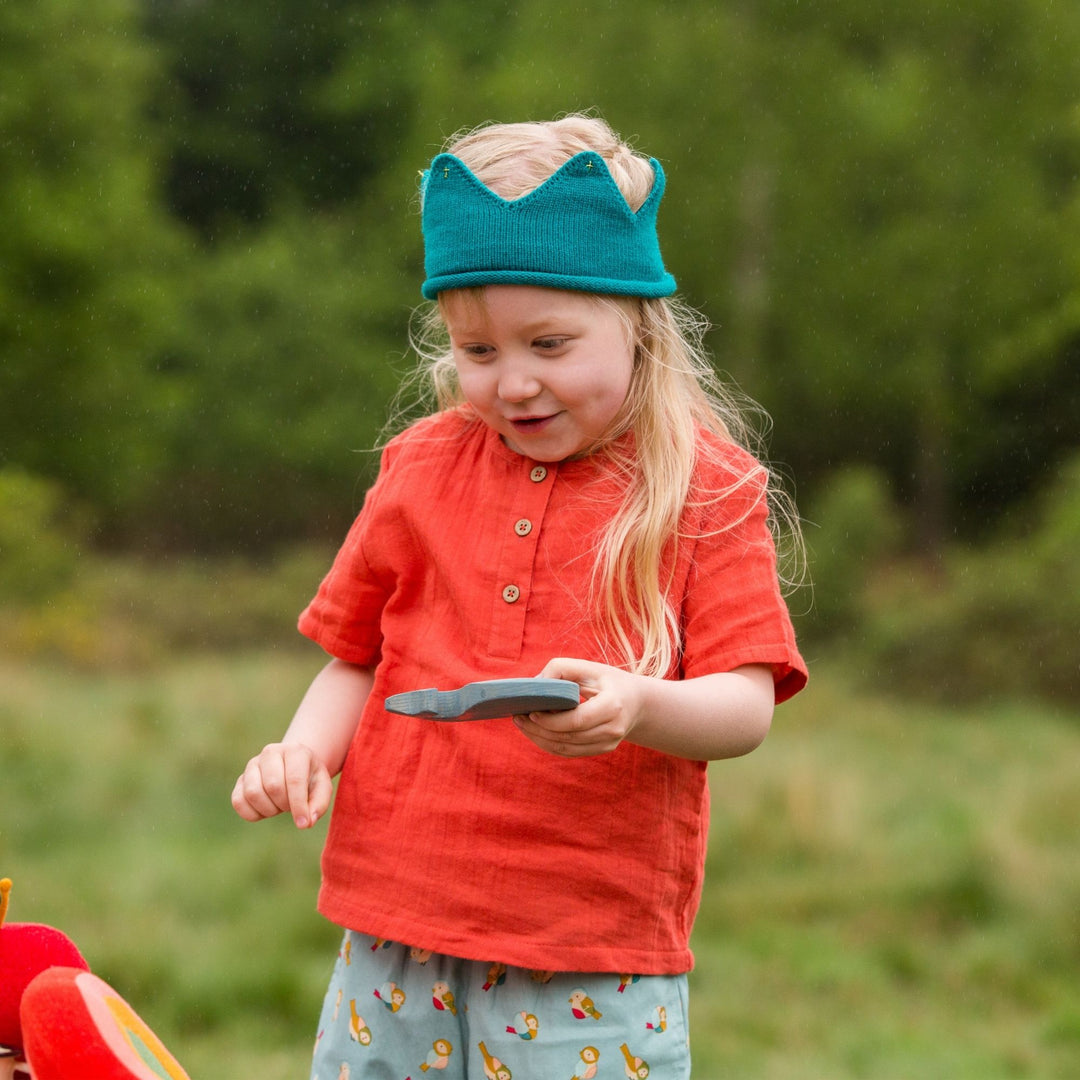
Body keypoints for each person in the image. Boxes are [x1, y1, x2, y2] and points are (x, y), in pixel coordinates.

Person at [232, 113, 807, 1080]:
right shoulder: (419, 468)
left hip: (587, 950)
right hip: (394, 934)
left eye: (549, 342)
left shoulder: (705, 490)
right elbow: (358, 654)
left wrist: (638, 706)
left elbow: (744, 707)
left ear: (637, 322)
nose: (514, 384)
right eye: (478, 351)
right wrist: (303, 751)